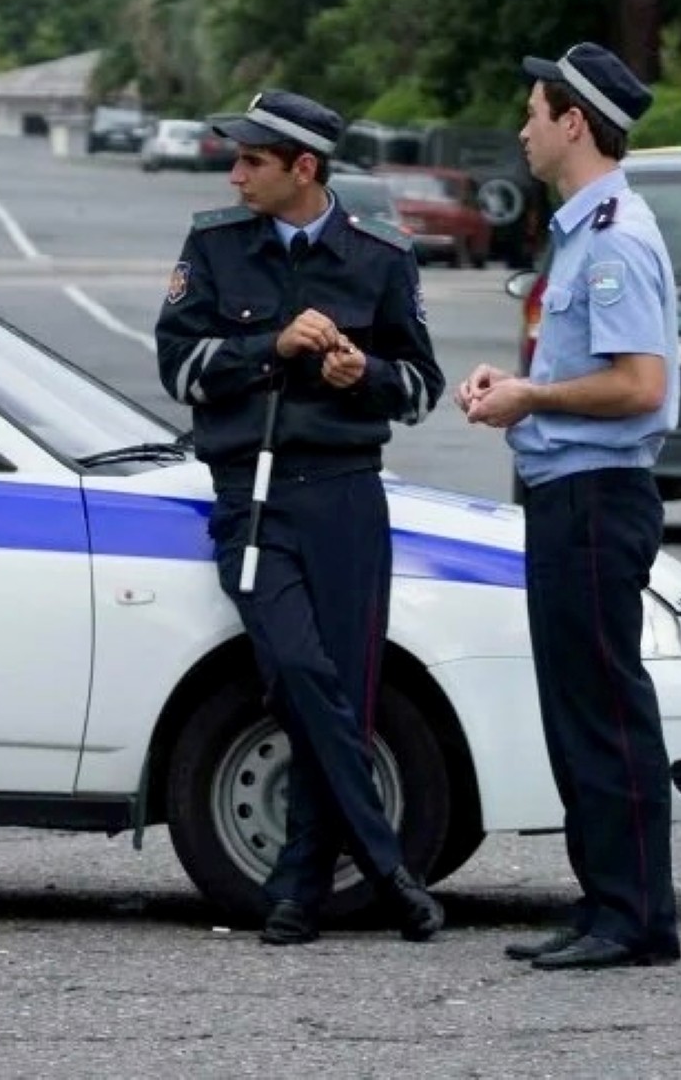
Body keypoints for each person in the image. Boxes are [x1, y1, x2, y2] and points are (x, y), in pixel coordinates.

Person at [157, 90, 446, 945]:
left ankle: (296, 887)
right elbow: (177, 367)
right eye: (236, 158)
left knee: (344, 690)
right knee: (294, 665)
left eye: (253, 160)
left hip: (347, 493)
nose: (236, 172)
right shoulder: (214, 245)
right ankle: (390, 864)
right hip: (254, 494)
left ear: (304, 170)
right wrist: (270, 346)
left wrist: (369, 375)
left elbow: (423, 385)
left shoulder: (379, 256)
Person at [456, 43, 681, 971]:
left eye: (535, 113)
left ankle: (636, 918)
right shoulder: (582, 230)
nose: (523, 129)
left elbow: (636, 386)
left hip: (596, 496)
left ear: (574, 123)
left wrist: (530, 400)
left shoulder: (617, 235)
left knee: (603, 708)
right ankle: (604, 906)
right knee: (574, 705)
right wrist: (517, 387)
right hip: (567, 493)